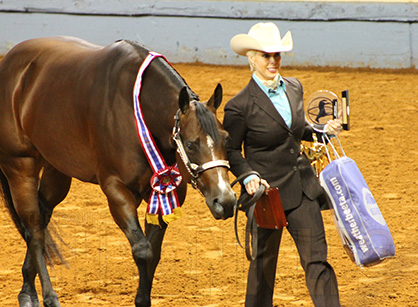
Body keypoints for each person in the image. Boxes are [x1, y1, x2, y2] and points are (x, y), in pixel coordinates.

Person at [223, 22, 342, 307]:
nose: (273, 61)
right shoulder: (239, 106)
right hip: (266, 195)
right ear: (252, 58)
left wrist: (322, 131)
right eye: (266, 56)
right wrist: (248, 175)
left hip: (302, 191)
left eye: (277, 54)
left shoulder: (294, 87)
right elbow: (230, 150)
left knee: (318, 262)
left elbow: (297, 130)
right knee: (263, 269)